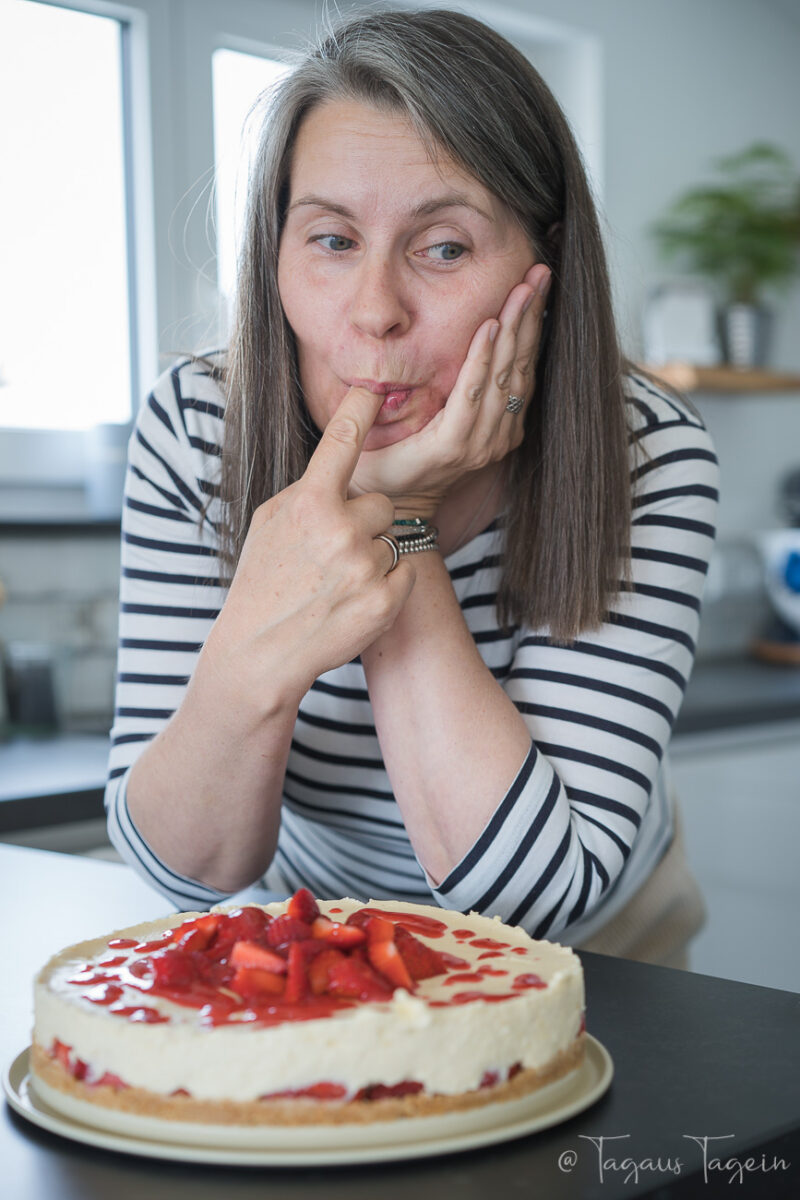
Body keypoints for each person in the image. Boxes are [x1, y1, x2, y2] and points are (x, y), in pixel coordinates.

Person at [105, 7, 718, 964]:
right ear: (275, 256)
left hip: (599, 961)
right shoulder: (198, 430)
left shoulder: (646, 454)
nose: (376, 312)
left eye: (443, 248)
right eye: (333, 241)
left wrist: (400, 520)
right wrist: (258, 640)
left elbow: (536, 898)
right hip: (315, 933)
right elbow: (185, 871)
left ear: (543, 267)